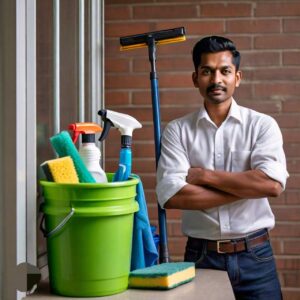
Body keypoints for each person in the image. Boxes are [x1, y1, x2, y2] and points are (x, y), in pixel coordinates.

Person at [156, 36, 289, 299]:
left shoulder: (262, 126)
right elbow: (172, 196)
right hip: (202, 257)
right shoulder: (177, 131)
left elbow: (272, 185)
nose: (216, 80)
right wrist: (248, 187)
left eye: (225, 71)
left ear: (237, 77)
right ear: (195, 78)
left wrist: (204, 175)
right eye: (207, 71)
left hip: (256, 257)